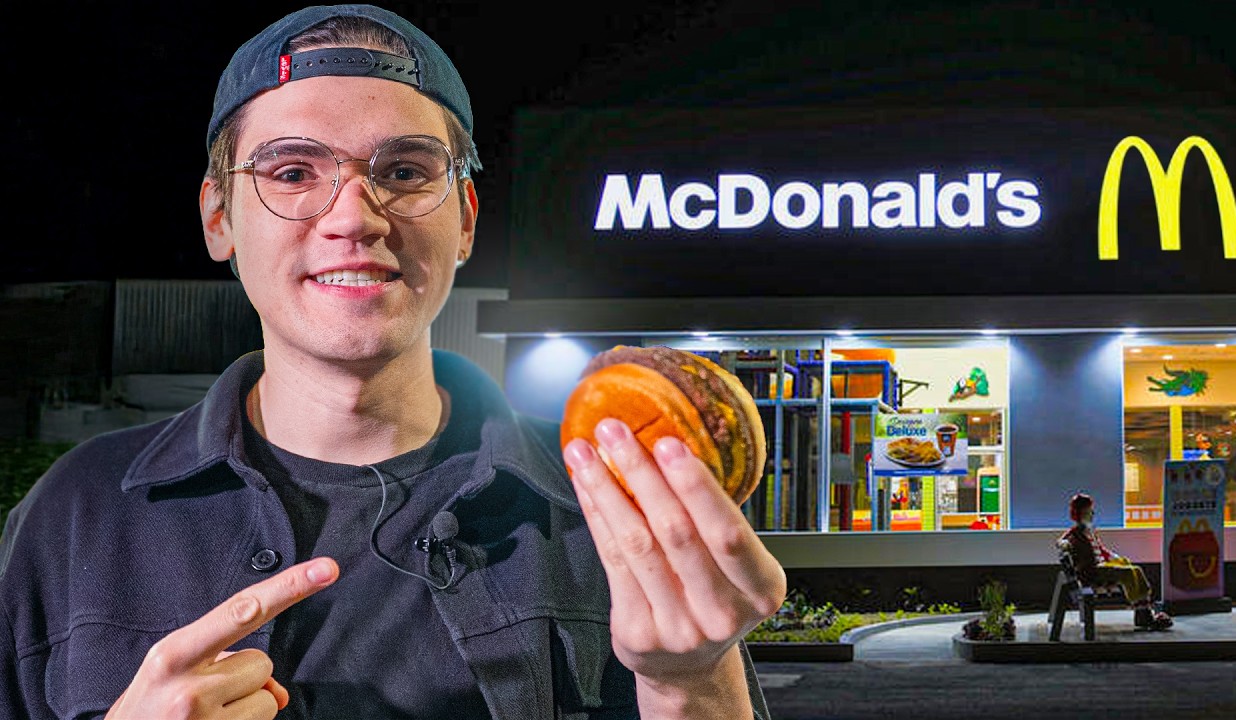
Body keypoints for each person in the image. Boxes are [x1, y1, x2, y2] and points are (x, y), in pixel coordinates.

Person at [0, 5, 786, 718]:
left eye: (405, 172)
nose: (353, 217)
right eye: (292, 172)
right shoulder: (73, 514)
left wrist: (690, 684)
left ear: (467, 220)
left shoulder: (607, 511)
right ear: (219, 218)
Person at [1056, 493, 1173, 631]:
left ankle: (1144, 609)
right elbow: (1061, 541)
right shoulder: (1075, 533)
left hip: (1100, 567)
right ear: (1080, 512)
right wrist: (1064, 544)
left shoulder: (1090, 531)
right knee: (1128, 573)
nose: (1092, 513)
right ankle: (1143, 614)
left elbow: (1102, 550)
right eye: (1089, 510)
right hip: (1092, 572)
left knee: (1135, 569)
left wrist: (1116, 558)